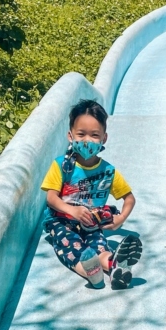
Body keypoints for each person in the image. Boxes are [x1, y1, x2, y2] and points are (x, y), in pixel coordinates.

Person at [41, 99, 142, 289]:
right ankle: (91, 273)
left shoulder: (108, 171)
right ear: (70, 136)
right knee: (71, 247)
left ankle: (114, 266)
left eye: (94, 135)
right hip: (61, 221)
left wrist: (120, 219)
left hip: (91, 222)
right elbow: (51, 198)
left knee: (100, 246)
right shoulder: (61, 166)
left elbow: (129, 199)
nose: (87, 140)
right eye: (81, 134)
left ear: (104, 139)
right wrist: (73, 211)